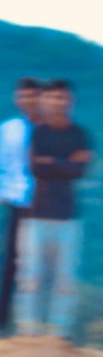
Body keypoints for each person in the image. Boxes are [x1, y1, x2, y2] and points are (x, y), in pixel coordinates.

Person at [16, 79, 91, 338]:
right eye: (52, 98)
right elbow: (34, 167)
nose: (58, 103)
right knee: (31, 274)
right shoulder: (37, 133)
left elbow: (80, 170)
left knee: (65, 278)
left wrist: (51, 162)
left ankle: (58, 331)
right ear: (45, 101)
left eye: (62, 98)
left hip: (68, 215)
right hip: (36, 212)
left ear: (70, 101)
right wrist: (65, 164)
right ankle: (28, 328)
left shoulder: (80, 134)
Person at [0, 77, 41, 331]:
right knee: (11, 262)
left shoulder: (49, 129)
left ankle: (29, 325)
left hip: (43, 203)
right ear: (18, 99)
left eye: (34, 96)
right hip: (15, 202)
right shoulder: (9, 129)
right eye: (24, 96)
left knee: (34, 265)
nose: (29, 101)